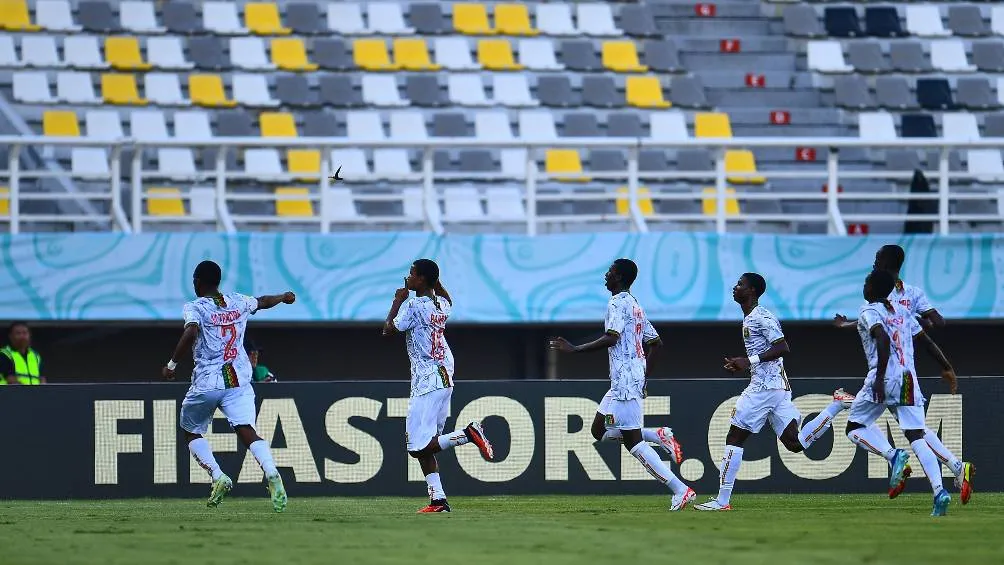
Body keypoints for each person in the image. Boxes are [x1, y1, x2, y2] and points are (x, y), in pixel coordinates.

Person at [549, 259, 696, 511]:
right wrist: (643, 374)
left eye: (609, 272)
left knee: (633, 443)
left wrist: (575, 349)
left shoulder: (617, 303)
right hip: (624, 380)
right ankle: (657, 435)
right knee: (598, 431)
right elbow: (656, 343)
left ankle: (680, 489)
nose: (605, 275)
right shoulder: (635, 305)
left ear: (618, 277)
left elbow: (611, 337)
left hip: (626, 381)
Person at [832, 244, 972, 502]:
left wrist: (879, 378)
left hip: (884, 374)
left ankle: (895, 457)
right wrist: (946, 365)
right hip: (908, 376)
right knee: (917, 432)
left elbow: (882, 332)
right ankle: (949, 476)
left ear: (885, 265)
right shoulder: (901, 308)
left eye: (877, 259)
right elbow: (921, 335)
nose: (874, 263)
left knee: (858, 426)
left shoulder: (895, 297)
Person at [695, 273, 835, 511]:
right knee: (795, 443)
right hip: (776, 386)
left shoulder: (761, 316)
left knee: (734, 437)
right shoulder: (750, 317)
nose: (735, 287)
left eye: (740, 284)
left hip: (764, 388)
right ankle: (836, 405)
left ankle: (722, 501)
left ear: (752, 291)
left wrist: (748, 361)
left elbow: (783, 347)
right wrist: (744, 364)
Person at [162, 260, 294, 512]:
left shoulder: (195, 307)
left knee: (191, 431)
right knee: (246, 429)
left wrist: (172, 364)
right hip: (238, 381)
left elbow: (190, 332)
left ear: (197, 282)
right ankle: (270, 470)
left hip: (208, 382)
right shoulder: (237, 301)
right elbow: (263, 301)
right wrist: (284, 297)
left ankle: (217, 475)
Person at [382, 258, 494, 514]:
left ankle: (468, 433)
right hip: (443, 377)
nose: (408, 277)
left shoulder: (413, 305)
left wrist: (397, 300)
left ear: (421, 279)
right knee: (428, 444)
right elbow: (447, 298)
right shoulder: (441, 304)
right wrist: (433, 282)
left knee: (417, 447)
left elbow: (388, 330)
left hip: (427, 380)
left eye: (412, 274)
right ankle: (438, 500)